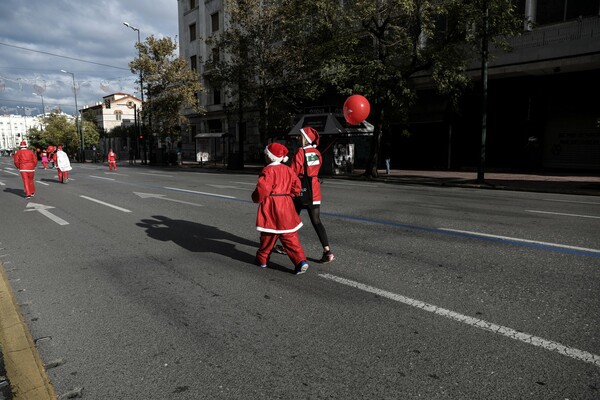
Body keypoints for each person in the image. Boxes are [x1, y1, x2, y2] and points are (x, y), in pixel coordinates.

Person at [252, 143, 310, 275]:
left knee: (268, 235)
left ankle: (262, 259)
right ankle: (300, 260)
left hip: (271, 204)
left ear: (269, 157)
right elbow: (297, 186)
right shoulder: (288, 169)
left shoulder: (267, 170)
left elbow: (263, 189)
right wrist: (290, 195)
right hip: (286, 203)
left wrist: (256, 198)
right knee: (290, 236)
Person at [290, 126, 335, 263]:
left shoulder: (299, 152)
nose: (297, 137)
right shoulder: (316, 153)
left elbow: (293, 172)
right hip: (314, 191)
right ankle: (327, 251)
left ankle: (286, 246)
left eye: (299, 135)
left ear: (305, 139)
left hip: (300, 191)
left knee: (290, 221)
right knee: (317, 221)